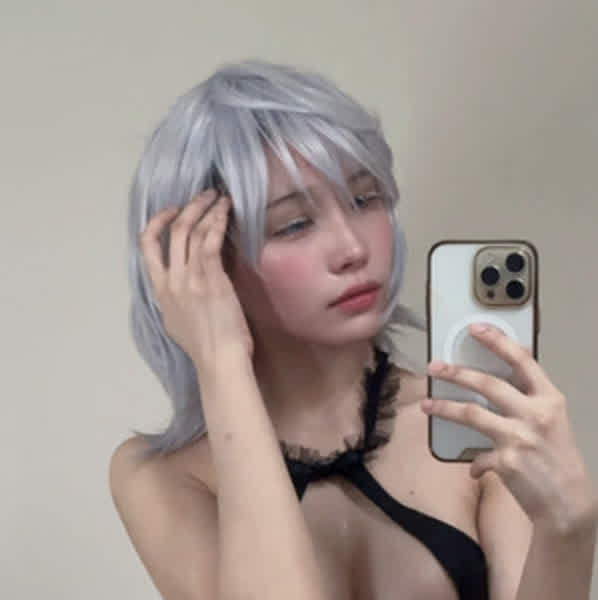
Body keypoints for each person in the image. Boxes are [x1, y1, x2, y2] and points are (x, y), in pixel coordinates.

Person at [110, 59, 598, 600]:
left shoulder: (471, 427)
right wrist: (220, 362)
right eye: (294, 224)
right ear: (201, 266)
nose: (352, 248)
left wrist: (568, 531)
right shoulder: (164, 475)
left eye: (366, 199)